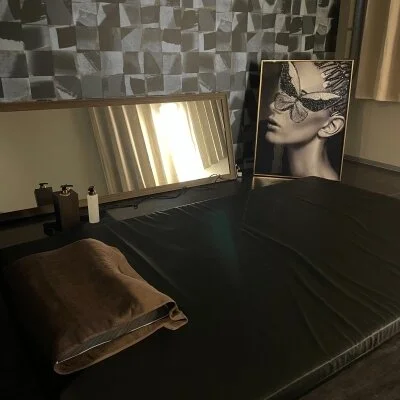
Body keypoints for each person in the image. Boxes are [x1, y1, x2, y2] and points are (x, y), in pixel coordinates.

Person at [264, 61, 351, 180]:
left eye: (305, 101)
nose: (273, 106)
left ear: (330, 126)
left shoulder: (325, 188)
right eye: (282, 94)